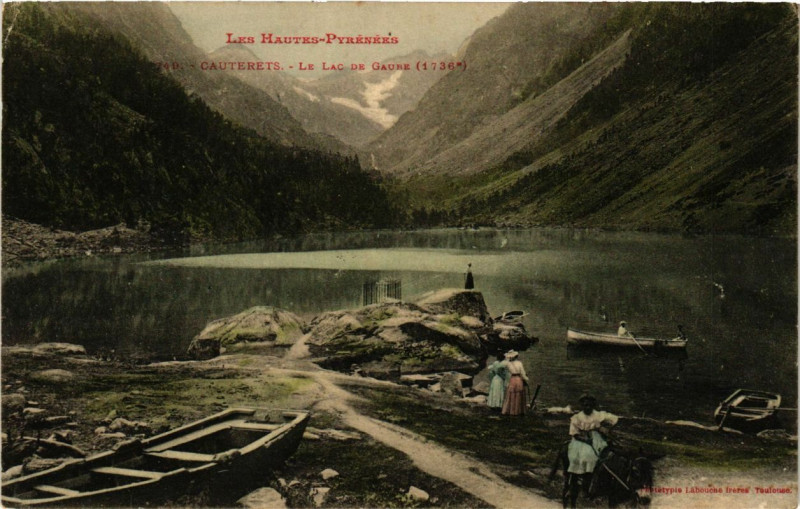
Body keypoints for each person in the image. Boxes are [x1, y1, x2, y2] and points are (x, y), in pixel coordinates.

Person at [566, 394, 619, 500]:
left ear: (593, 406)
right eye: (585, 405)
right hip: (581, 440)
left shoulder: (597, 415)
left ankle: (602, 483)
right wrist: (586, 440)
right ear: (582, 405)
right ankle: (579, 482)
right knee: (587, 456)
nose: (588, 407)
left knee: (606, 454)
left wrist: (606, 428)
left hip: (596, 437)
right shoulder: (577, 418)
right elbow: (575, 434)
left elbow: (614, 419)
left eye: (590, 405)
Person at [501, 350, 529, 416]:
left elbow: (503, 367)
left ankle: (510, 410)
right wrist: (526, 379)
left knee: (511, 394)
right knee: (519, 394)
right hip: (518, 379)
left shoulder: (508, 364)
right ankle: (518, 410)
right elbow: (523, 373)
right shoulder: (519, 363)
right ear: (516, 356)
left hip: (512, 379)